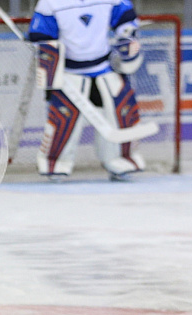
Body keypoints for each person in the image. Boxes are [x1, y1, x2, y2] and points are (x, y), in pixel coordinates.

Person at [28, 0, 145, 180]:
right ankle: (55, 163)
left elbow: (126, 20)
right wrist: (43, 47)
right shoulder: (50, 3)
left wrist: (127, 38)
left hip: (105, 68)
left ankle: (122, 160)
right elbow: (42, 35)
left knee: (121, 113)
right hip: (68, 73)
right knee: (63, 120)